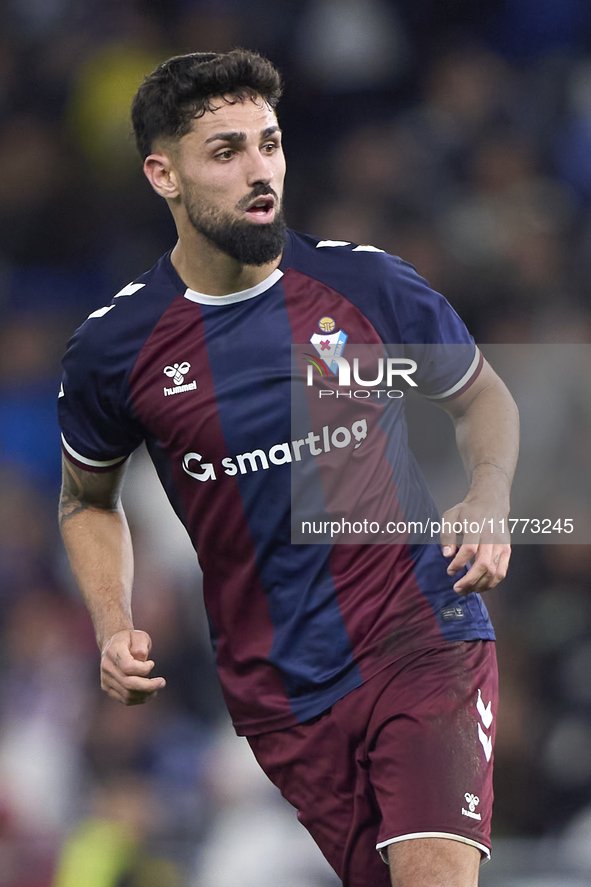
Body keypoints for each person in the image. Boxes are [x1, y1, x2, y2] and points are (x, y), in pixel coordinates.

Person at [57, 50, 519, 887]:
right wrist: (110, 619)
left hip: (420, 634)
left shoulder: (366, 286)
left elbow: (483, 398)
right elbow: (86, 499)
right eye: (226, 152)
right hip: (283, 693)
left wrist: (487, 496)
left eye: (268, 144)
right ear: (163, 174)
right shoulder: (113, 348)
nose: (259, 169)